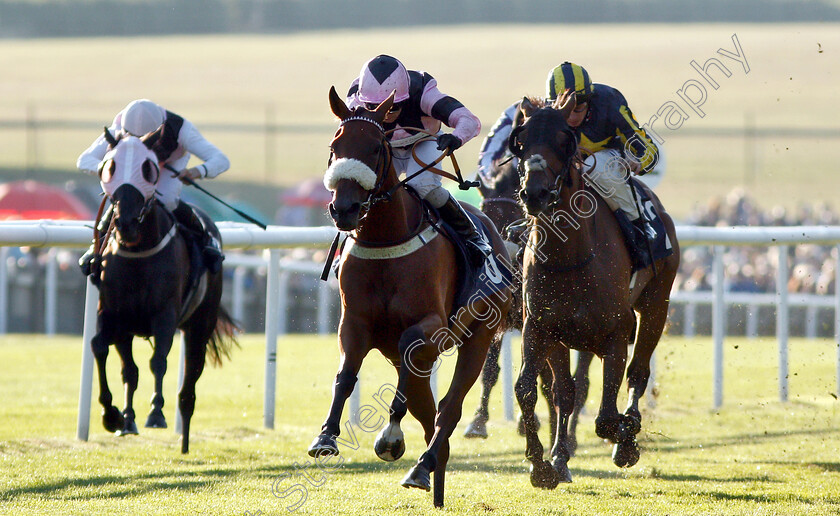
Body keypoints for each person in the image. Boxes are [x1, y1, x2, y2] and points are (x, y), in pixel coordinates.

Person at [346, 54, 491, 268]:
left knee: (423, 187)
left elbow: (468, 120)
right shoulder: (355, 102)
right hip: (384, 148)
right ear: (364, 101)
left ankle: (472, 237)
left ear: (405, 99)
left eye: (392, 107)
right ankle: (348, 244)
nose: (385, 115)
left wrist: (455, 137)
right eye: (374, 108)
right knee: (366, 189)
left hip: (423, 143)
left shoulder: (425, 94)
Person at [77, 98, 230, 275]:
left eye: (147, 140)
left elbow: (220, 160)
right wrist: (107, 169)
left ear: (161, 129)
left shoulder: (182, 130)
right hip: (135, 167)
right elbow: (84, 160)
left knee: (166, 199)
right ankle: (95, 248)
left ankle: (207, 240)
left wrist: (197, 171)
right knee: (126, 198)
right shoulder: (117, 129)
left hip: (170, 163)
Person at [546, 61, 660, 266]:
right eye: (564, 109)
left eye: (578, 108)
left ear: (589, 101)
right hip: (569, 169)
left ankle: (639, 225)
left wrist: (639, 161)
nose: (571, 117)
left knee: (593, 167)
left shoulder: (610, 103)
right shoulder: (548, 117)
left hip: (607, 160)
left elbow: (650, 151)